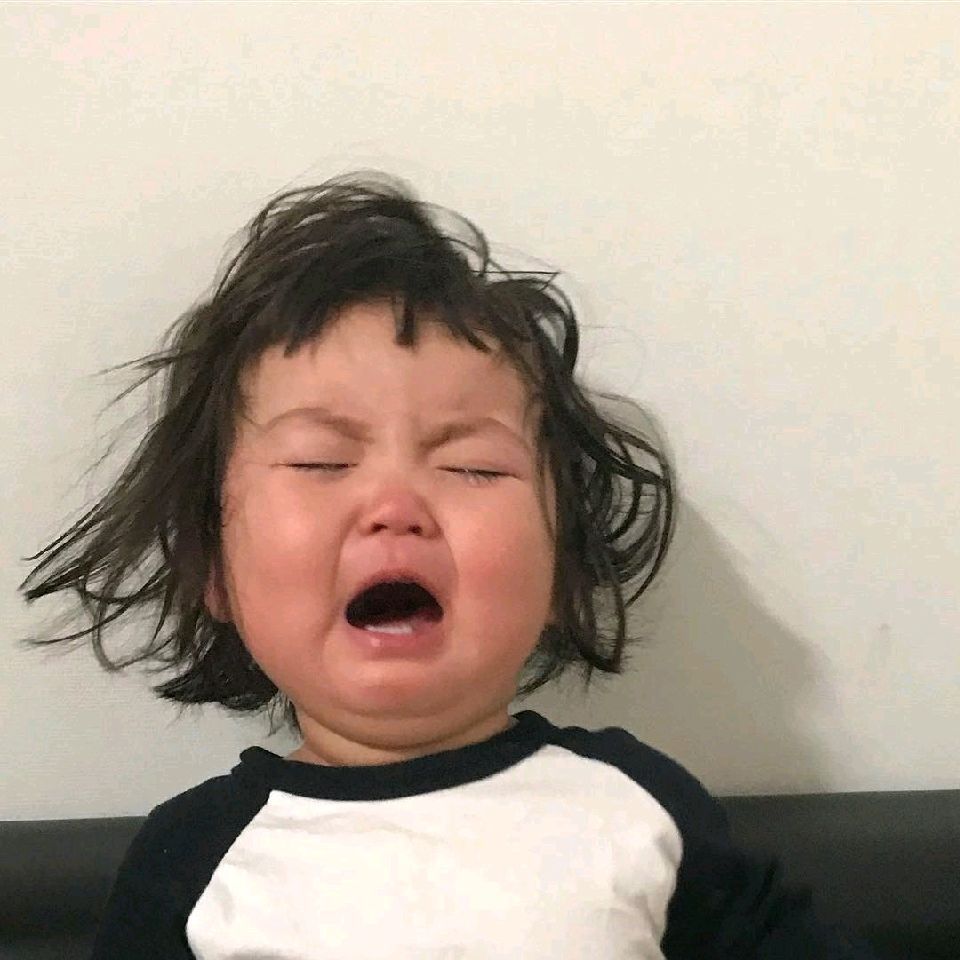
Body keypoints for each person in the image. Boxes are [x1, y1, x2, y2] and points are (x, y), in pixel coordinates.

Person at [19, 172, 879, 958]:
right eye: (322, 462)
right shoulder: (193, 865)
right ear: (213, 567)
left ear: (562, 571)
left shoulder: (634, 804)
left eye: (473, 468)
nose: (396, 505)